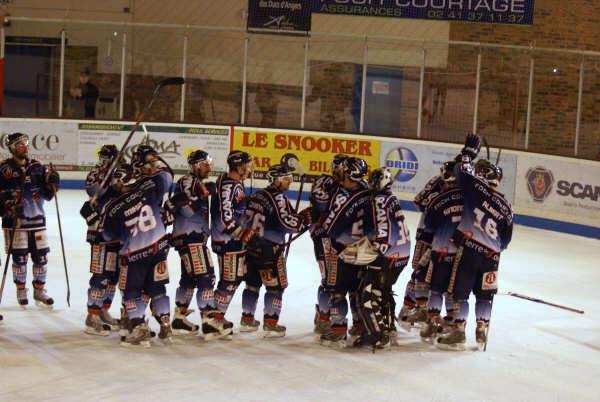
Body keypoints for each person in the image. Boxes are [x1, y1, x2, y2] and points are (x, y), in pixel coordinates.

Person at [436, 133, 513, 351]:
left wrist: (468, 152)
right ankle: (481, 329)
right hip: (492, 257)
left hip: (469, 251)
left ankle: (459, 331)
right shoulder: (507, 207)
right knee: (485, 296)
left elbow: (462, 169)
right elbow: (505, 241)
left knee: (460, 294)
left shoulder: (475, 187)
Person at [99, 145, 174, 346]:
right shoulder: (148, 186)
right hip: (159, 247)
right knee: (157, 289)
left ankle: (139, 327)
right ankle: (166, 325)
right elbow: (168, 176)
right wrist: (152, 159)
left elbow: (108, 235)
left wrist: (94, 214)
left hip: (135, 254)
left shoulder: (113, 207)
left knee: (131, 292)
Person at [239, 164, 311, 337]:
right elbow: (287, 223)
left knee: (252, 285)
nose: (289, 182)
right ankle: (271, 324)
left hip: (250, 246)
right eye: (286, 178)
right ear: (276, 180)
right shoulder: (278, 198)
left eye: (290, 178)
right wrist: (304, 220)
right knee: (275, 287)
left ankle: (247, 320)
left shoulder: (257, 195)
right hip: (270, 249)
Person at [165, 149, 223, 339]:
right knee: (207, 277)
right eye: (205, 164)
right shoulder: (188, 181)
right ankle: (208, 321)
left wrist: (204, 191)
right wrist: (203, 193)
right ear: (196, 165)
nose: (209, 168)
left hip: (190, 238)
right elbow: (186, 208)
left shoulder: (196, 182)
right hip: (191, 238)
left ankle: (179, 318)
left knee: (189, 279)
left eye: (210, 164)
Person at [352, 167, 411, 349]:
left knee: (367, 294)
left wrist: (378, 250)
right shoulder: (390, 197)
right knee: (383, 290)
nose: (371, 184)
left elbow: (384, 227)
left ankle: (377, 335)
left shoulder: (379, 200)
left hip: (388, 254)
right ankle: (389, 326)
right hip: (402, 253)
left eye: (374, 181)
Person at [0, 133, 59, 309]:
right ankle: (21, 290)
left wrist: (53, 182)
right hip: (15, 223)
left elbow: (48, 194)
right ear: (11, 148)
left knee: (41, 258)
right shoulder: (3, 169)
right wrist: (9, 207)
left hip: (37, 220)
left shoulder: (37, 167)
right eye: (19, 144)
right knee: (20, 259)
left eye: (25, 143)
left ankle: (39, 290)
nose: (24, 146)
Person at [319, 157, 371, 347]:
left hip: (344, 250)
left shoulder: (342, 196)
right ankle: (360, 326)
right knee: (358, 291)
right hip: (365, 249)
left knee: (338, 291)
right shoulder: (368, 191)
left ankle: (338, 331)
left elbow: (330, 227)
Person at [210, 150, 253, 339]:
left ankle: (215, 317)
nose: (250, 169)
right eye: (247, 166)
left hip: (229, 241)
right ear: (239, 167)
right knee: (229, 281)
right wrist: (242, 234)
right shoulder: (229, 186)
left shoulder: (231, 182)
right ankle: (213, 320)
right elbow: (225, 218)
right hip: (228, 241)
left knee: (232, 279)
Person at [80, 144, 122, 335]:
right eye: (103, 157)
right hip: (99, 230)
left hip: (117, 231)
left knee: (113, 276)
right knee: (101, 275)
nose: (104, 160)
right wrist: (107, 176)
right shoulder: (96, 173)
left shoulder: (120, 173)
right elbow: (92, 190)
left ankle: (103, 309)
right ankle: (92, 316)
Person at [419, 159, 462, 343]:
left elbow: (428, 228)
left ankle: (432, 322)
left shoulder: (438, 200)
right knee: (453, 291)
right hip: (461, 255)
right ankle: (452, 322)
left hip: (440, 252)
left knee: (436, 290)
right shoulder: (469, 199)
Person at [309, 154, 347, 335]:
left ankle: (339, 316)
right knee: (328, 280)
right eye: (337, 167)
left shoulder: (350, 186)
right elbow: (321, 204)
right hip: (323, 236)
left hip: (343, 239)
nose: (339, 171)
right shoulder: (324, 181)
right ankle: (324, 316)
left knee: (342, 281)